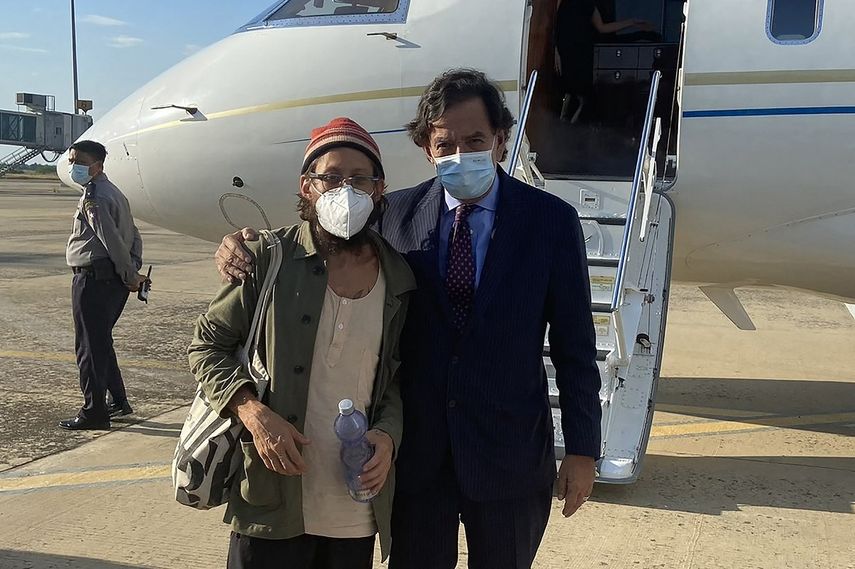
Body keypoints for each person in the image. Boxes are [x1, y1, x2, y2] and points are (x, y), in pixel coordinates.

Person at [215, 69, 602, 569]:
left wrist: (582, 451)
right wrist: (241, 247)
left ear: (502, 142)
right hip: (415, 461)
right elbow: (323, 235)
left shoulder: (550, 221)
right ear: (427, 149)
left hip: (509, 456)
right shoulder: (393, 215)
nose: (460, 154)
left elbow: (575, 345)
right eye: (445, 144)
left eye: (476, 140)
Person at [188, 118, 414, 569]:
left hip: (354, 502)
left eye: (359, 179)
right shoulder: (267, 259)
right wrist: (252, 413)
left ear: (379, 188)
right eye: (330, 176)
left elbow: (396, 378)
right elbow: (205, 345)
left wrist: (387, 438)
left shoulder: (400, 280)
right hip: (272, 495)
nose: (344, 190)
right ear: (306, 186)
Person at [61, 140, 146, 431]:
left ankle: (94, 412)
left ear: (96, 165)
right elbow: (134, 235)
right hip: (110, 280)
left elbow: (110, 239)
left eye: (79, 162)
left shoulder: (94, 196)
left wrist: (130, 274)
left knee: (88, 348)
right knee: (100, 342)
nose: (74, 167)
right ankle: (118, 401)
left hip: (94, 279)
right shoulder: (115, 192)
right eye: (72, 161)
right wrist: (132, 268)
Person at [555, 0, 656, 122]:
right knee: (571, 92)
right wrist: (556, 51)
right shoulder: (565, 3)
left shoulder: (589, 5)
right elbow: (557, 26)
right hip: (568, 51)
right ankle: (566, 124)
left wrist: (632, 22)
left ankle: (571, 127)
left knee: (582, 96)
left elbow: (602, 28)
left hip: (583, 53)